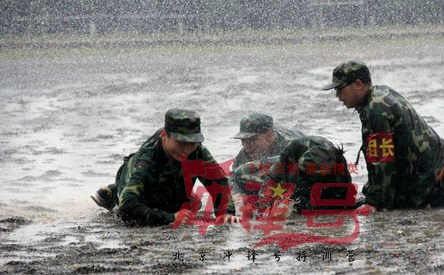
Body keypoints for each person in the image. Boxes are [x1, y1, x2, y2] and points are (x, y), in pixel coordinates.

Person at [323, 60, 444, 212]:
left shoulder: (376, 110)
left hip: (437, 183)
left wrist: (374, 203)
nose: (338, 96)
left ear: (358, 84)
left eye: (340, 89)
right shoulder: (380, 93)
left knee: (367, 206)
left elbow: (382, 160)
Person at [91, 109, 238, 226]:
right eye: (181, 143)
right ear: (164, 135)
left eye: (192, 143)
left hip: (170, 179)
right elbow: (127, 207)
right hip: (136, 184)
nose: (187, 150)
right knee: (155, 206)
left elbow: (218, 182)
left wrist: (226, 213)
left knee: (192, 204)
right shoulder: (146, 162)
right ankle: (113, 191)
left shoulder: (197, 150)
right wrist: (170, 218)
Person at [234, 135, 356, 214]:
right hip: (291, 170)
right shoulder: (291, 151)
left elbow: (346, 195)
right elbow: (273, 180)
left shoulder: (338, 165)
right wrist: (263, 206)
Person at [232, 113, 304, 170]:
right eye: (243, 140)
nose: (246, 145)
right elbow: (234, 175)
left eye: (252, 139)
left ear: (269, 137)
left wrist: (264, 163)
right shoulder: (246, 153)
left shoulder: (291, 146)